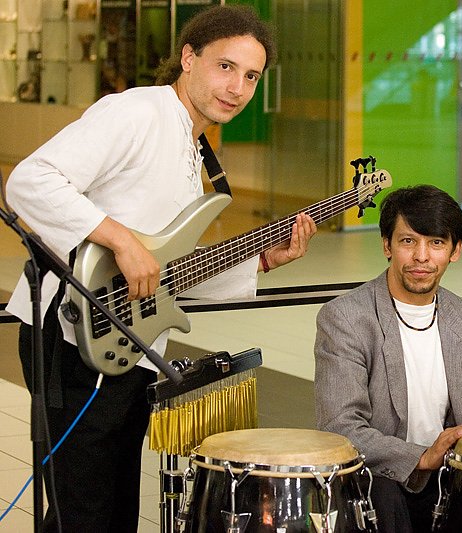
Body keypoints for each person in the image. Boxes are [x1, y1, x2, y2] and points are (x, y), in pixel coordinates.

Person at [4, 6, 316, 532]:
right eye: (225, 66)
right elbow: (31, 181)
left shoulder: (191, 149)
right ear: (188, 59)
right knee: (82, 510)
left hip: (128, 345)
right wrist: (118, 239)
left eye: (251, 76)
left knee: (115, 505)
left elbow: (168, 272)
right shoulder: (138, 112)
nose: (237, 87)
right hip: (76, 335)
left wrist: (263, 258)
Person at [314, 185, 462, 532]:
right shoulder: (346, 317)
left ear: (455, 251)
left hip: (448, 475)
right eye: (408, 241)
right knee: (384, 497)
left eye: (436, 243)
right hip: (378, 476)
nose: (421, 257)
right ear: (386, 246)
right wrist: (421, 456)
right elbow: (339, 427)